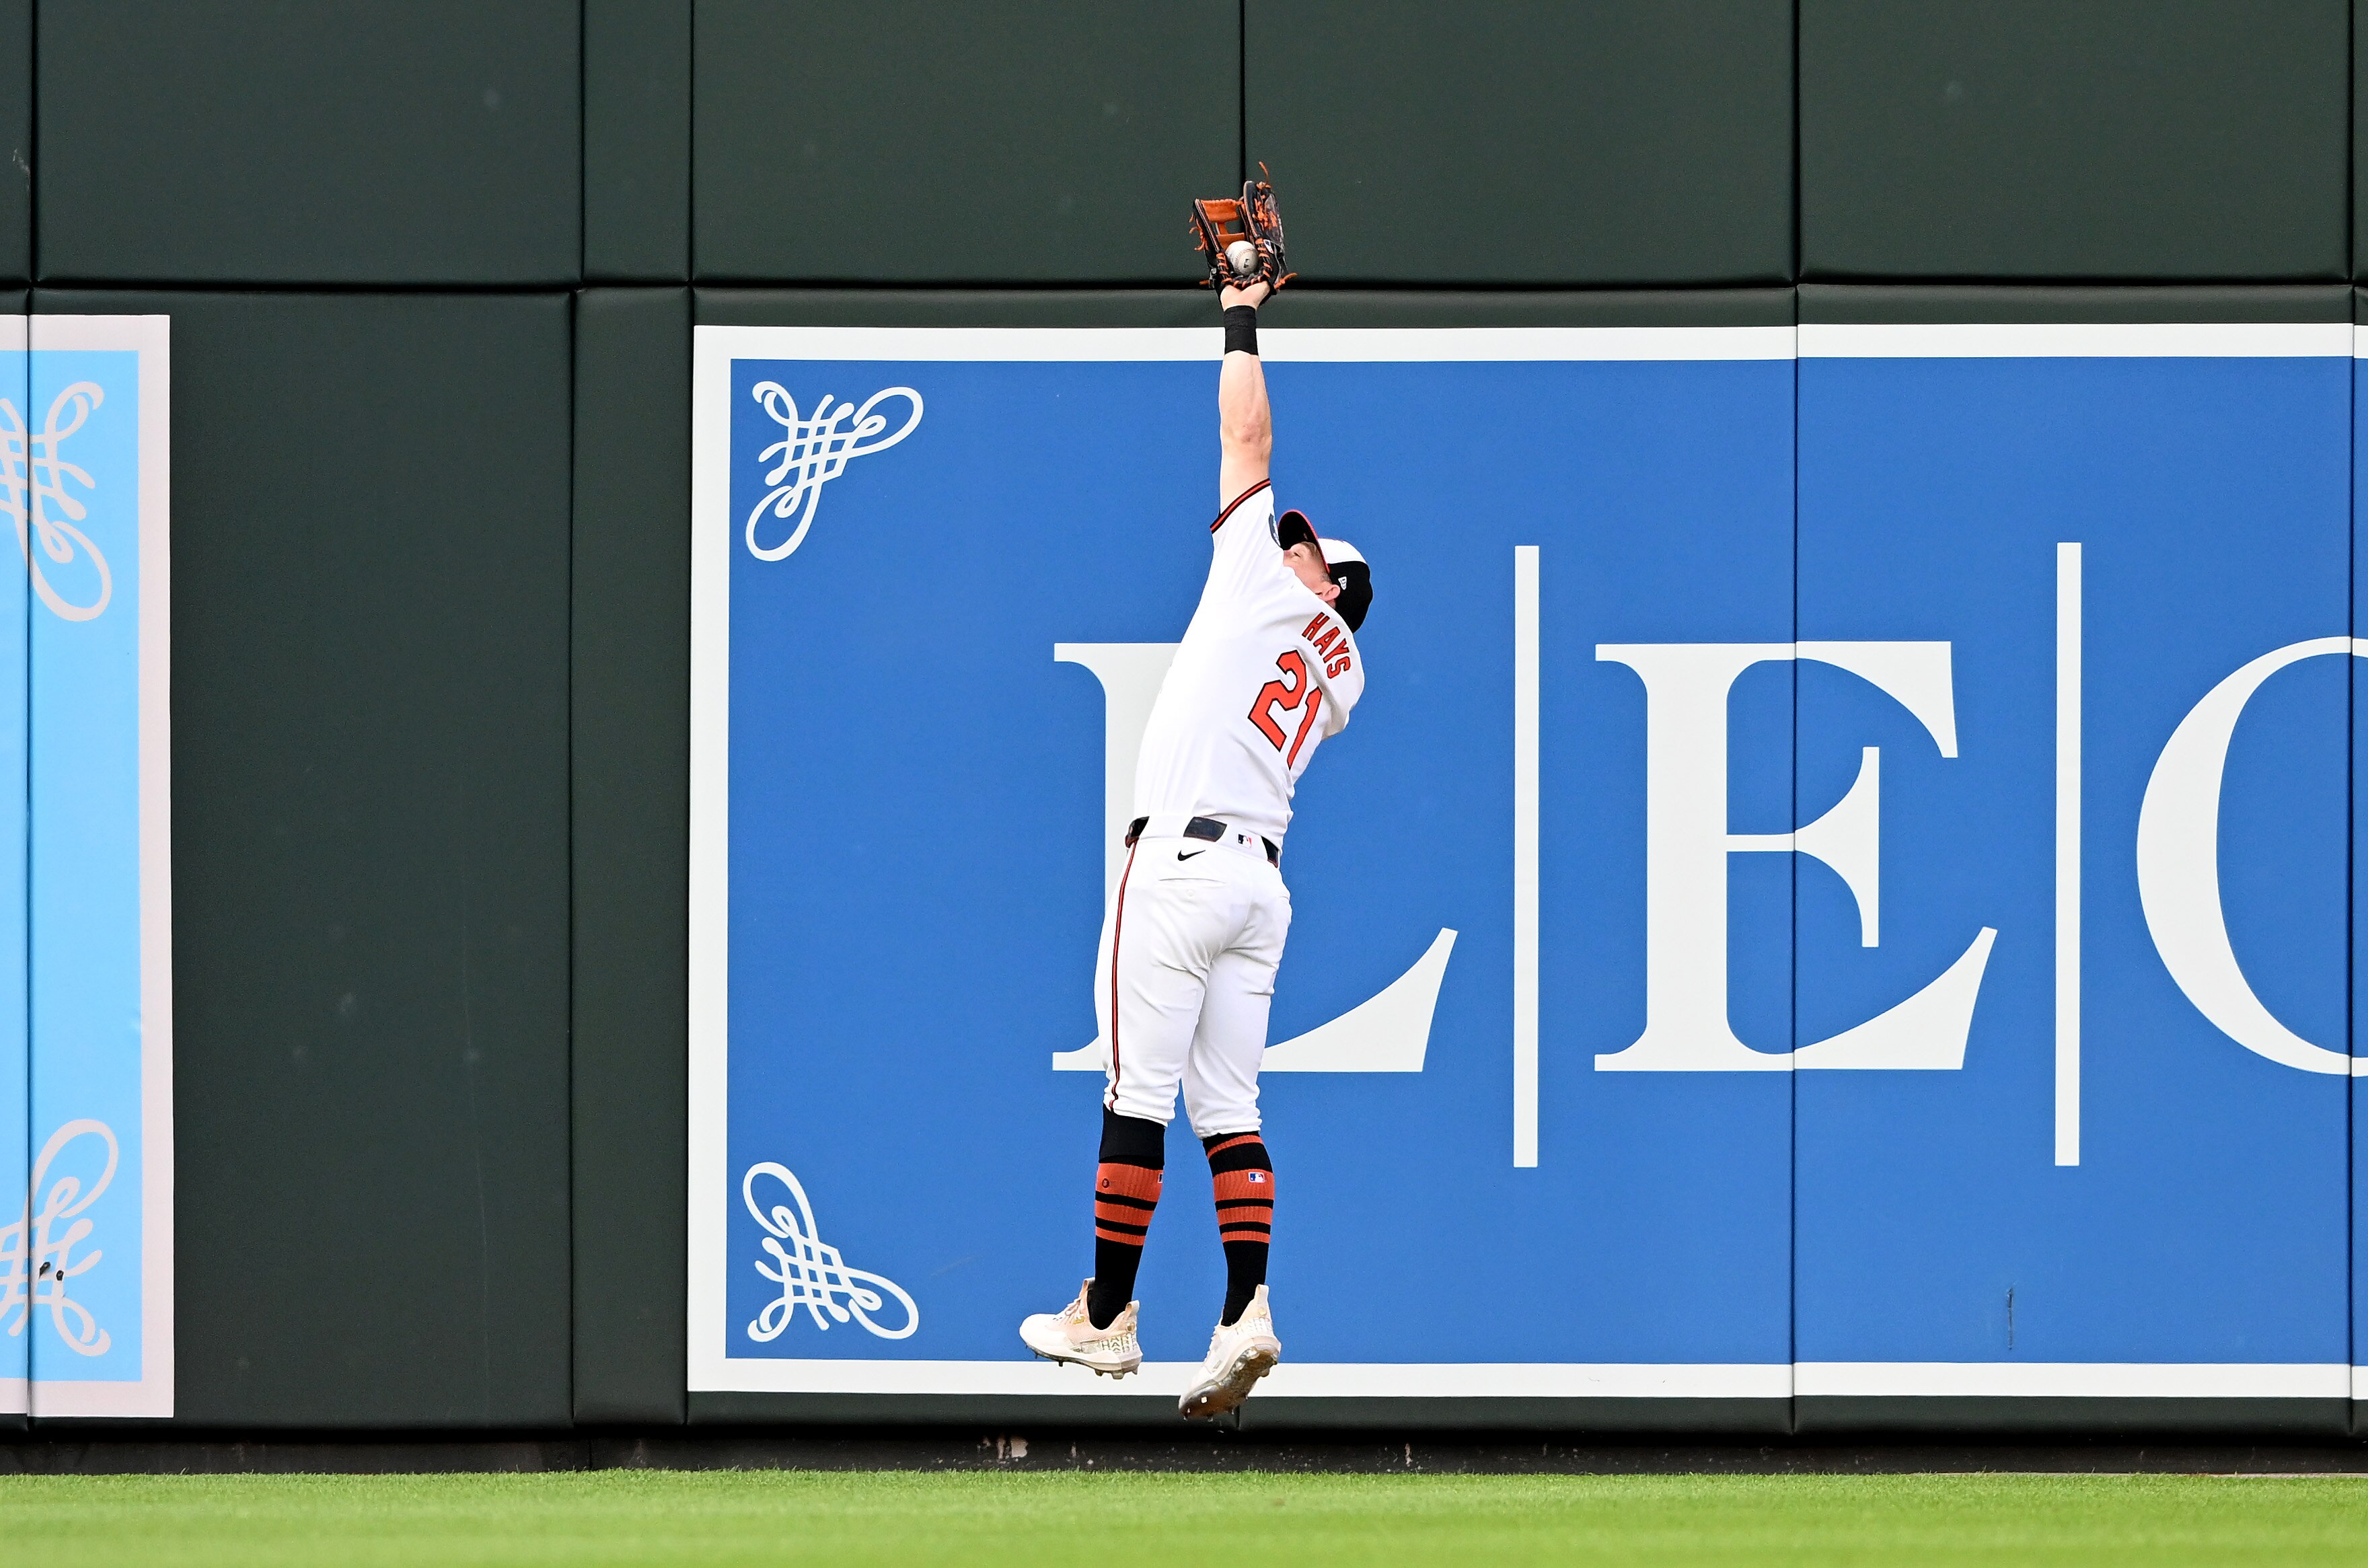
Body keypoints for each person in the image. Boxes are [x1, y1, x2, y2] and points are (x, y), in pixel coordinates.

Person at [1019, 203, 1374, 1421]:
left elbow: (1245, 433)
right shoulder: (1340, 671)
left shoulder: (1259, 586)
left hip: (1179, 871)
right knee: (1234, 1111)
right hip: (1260, 885)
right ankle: (1245, 1312)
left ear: (1333, 585)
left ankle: (1109, 1317)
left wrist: (1238, 314)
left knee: (1137, 1095)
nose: (1286, 541)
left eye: (1308, 548)